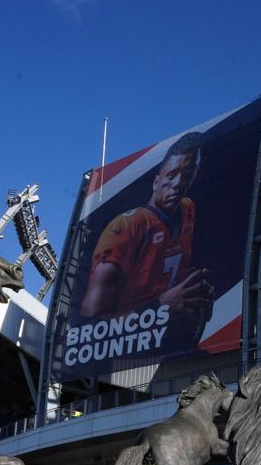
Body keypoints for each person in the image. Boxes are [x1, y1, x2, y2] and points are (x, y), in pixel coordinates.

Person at [78, 131, 214, 329]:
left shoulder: (187, 209)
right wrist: (160, 307)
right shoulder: (126, 227)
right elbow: (88, 326)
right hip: (124, 351)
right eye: (172, 175)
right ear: (156, 181)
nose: (178, 185)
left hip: (166, 341)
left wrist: (192, 290)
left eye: (187, 175)